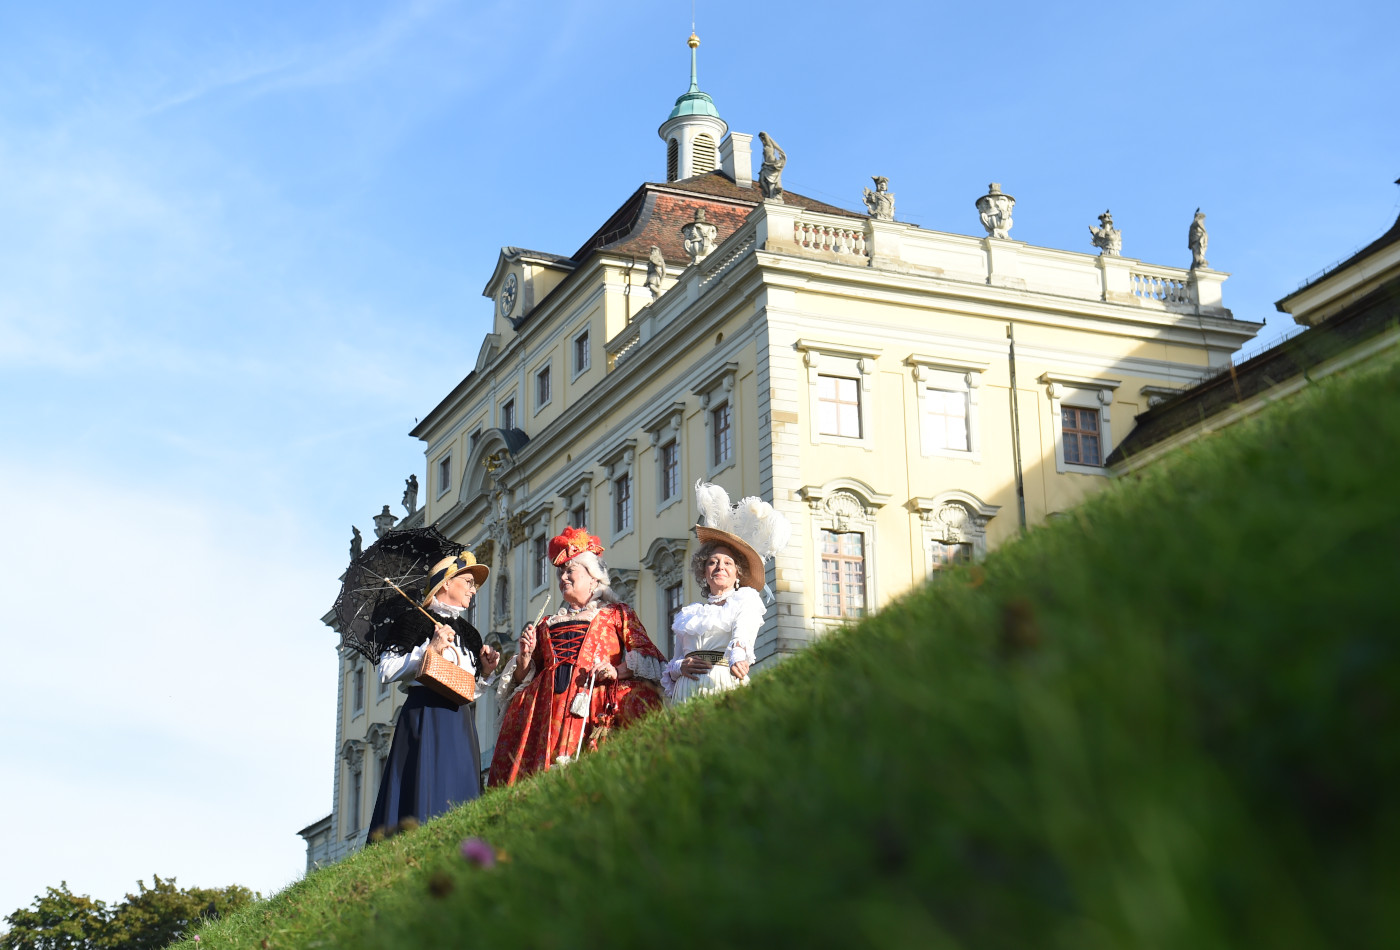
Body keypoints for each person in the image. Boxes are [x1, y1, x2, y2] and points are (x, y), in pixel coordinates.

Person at [487, 527, 665, 786]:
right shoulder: (547, 622)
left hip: (594, 701)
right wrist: (525, 656)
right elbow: (525, 675)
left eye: (570, 571)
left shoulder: (616, 613)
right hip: (547, 708)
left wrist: (618, 671)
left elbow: (647, 653)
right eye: (560, 573)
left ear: (593, 578)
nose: (563, 578)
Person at [368, 550, 499, 837]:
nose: (472, 590)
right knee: (422, 795)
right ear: (446, 583)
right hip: (425, 715)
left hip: (459, 720)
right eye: (467, 582)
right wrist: (430, 651)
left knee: (460, 795)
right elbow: (386, 671)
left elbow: (468, 690)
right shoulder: (412, 621)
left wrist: (485, 672)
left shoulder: (470, 633)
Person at [663, 481, 792, 704]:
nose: (720, 567)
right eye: (712, 562)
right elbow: (673, 664)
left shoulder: (745, 599)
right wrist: (680, 666)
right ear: (704, 572)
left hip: (721, 681)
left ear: (737, 574)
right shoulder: (690, 614)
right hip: (685, 693)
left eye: (727, 563)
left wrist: (739, 659)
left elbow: (742, 636)